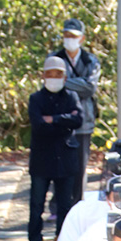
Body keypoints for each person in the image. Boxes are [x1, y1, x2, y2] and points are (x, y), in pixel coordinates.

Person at [27, 56, 85, 241]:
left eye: (58, 74)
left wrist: (54, 119)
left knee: (65, 203)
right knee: (37, 201)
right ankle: (35, 240)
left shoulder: (71, 97)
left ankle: (62, 238)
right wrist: (62, 123)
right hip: (42, 157)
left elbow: (78, 120)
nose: (53, 78)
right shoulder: (35, 99)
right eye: (49, 74)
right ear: (43, 76)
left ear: (65, 77)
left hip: (65, 156)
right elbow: (38, 124)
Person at [50, 18, 100, 204]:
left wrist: (64, 82)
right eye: (66, 35)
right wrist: (70, 84)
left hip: (83, 120)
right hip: (60, 117)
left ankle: (77, 203)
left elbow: (89, 88)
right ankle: (57, 205)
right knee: (58, 163)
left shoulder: (91, 61)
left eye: (73, 36)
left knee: (80, 167)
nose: (69, 39)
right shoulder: (54, 58)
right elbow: (52, 84)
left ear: (82, 38)